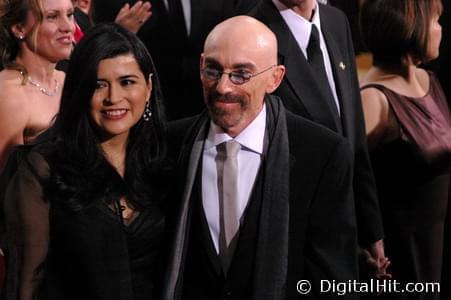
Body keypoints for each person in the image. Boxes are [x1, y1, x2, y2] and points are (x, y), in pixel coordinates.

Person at [162, 16, 358, 299]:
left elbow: (333, 279)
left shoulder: (322, 154)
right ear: (200, 65)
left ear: (275, 78)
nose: (223, 87)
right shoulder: (169, 146)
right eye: (213, 70)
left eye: (241, 74)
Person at [1, 23, 168, 299]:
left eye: (127, 82)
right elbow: (26, 283)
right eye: (98, 85)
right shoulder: (42, 168)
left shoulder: (164, 159)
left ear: (148, 87)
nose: (113, 98)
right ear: (80, 90)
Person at [249, 0, 388, 277]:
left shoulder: (336, 21)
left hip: (347, 231)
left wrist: (371, 228)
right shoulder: (252, 32)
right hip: (296, 239)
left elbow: (354, 135)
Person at [359, 0, 451, 299]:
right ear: (412, 27)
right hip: (402, 261)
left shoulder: (429, 80)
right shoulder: (374, 99)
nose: (441, 29)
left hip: (433, 243)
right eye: (436, 21)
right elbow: (345, 183)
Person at [0, 0, 75, 170]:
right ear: (19, 28)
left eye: (70, 14)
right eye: (52, 17)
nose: (68, 27)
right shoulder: (8, 95)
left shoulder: (68, 80)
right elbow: (9, 186)